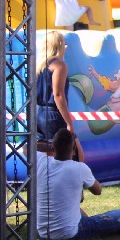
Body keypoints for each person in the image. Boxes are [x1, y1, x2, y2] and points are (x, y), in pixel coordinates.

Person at [37, 129, 120, 240]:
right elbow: (98, 191)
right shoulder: (80, 168)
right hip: (70, 232)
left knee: (79, 212)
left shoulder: (41, 162)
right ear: (74, 149)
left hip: (43, 232)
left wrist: (54, 146)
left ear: (53, 148)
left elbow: (26, 147)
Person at [36, 31, 84, 161]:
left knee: (49, 156)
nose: (66, 47)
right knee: (74, 154)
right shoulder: (59, 65)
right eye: (64, 43)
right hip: (53, 114)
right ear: (59, 45)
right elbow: (58, 95)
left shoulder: (39, 65)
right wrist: (69, 122)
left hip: (39, 112)